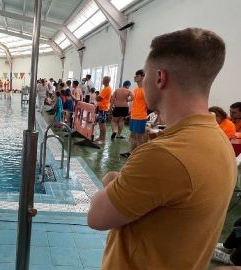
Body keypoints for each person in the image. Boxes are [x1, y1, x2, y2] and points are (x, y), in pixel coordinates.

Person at [87, 28, 237, 269]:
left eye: (143, 75)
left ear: (160, 77)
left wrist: (112, 178)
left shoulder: (164, 155)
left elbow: (96, 216)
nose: (141, 82)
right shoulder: (218, 140)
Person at [120, 69, 148, 158]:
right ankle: (131, 153)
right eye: (135, 75)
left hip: (140, 117)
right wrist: (130, 113)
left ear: (142, 77)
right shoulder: (135, 90)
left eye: (137, 75)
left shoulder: (145, 90)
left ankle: (138, 156)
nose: (135, 77)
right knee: (132, 137)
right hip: (134, 116)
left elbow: (149, 104)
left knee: (139, 138)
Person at [95, 76, 112, 144]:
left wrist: (97, 97)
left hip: (103, 109)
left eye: (103, 80)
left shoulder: (107, 89)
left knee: (102, 124)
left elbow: (99, 98)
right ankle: (100, 137)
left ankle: (103, 139)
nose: (102, 81)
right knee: (100, 123)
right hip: (101, 108)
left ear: (106, 81)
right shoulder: (105, 88)